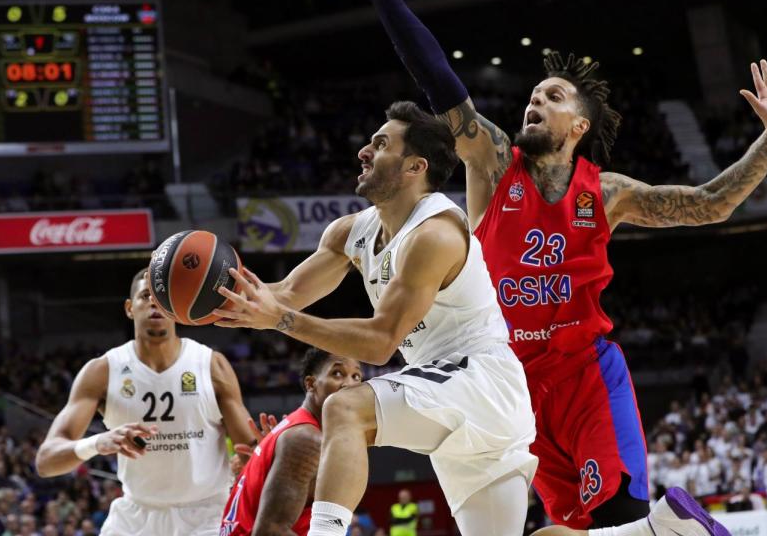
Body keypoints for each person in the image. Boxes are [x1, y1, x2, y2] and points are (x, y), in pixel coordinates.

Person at [327, 0, 767, 535]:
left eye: (551, 97)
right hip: (511, 384)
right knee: (566, 531)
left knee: (617, 516)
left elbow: (710, 202)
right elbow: (439, 81)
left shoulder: (605, 192)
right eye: (532, 96)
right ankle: (671, 529)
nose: (534, 102)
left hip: (586, 377)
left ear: (578, 125)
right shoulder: (496, 163)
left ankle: (662, 526)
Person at [213, 101, 538, 535]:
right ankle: (656, 527)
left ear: (414, 167)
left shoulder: (435, 235)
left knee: (344, 407)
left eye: (381, 145)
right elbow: (286, 294)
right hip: (446, 391)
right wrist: (221, 300)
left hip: (480, 379)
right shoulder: (350, 232)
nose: (364, 152)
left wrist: (280, 321)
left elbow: (382, 341)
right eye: (368, 142)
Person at [35, 269, 257, 536]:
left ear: (177, 308)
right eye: (145, 296)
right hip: (136, 516)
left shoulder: (211, 365)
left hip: (206, 514)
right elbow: (46, 460)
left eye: (163, 298)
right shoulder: (102, 371)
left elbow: (250, 450)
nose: (155, 303)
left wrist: (265, 448)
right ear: (130, 308)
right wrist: (98, 442)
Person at [221, 349, 363, 535]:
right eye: (337, 373)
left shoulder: (294, 429)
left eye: (357, 376)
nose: (349, 384)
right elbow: (270, 532)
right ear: (311, 384)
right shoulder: (306, 439)